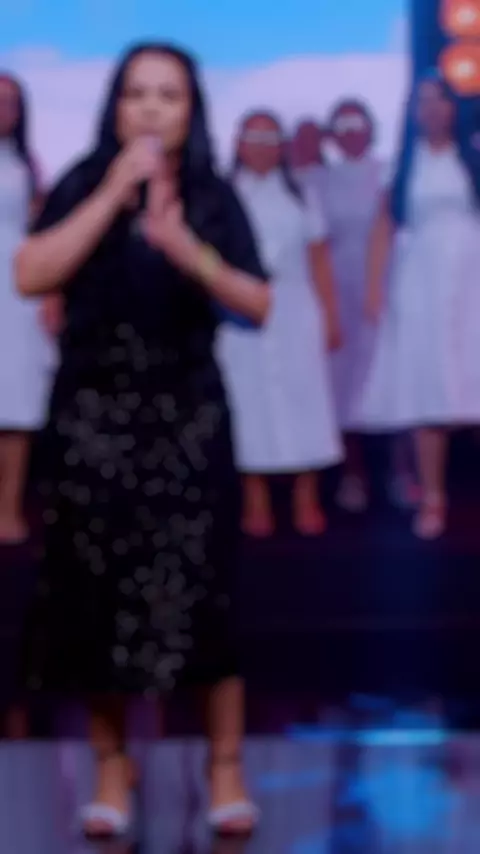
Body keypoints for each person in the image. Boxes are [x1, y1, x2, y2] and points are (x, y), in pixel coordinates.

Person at [14, 43, 271, 837]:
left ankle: (224, 767)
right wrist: (113, 195)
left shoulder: (213, 194)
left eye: (169, 94)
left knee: (207, 596)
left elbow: (257, 302)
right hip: (92, 418)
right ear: (115, 106)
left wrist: (184, 248)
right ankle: (111, 769)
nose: (152, 107)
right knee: (97, 602)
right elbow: (30, 273)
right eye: (137, 93)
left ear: (191, 109)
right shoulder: (83, 182)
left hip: (187, 416)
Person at [358, 69, 480, 539]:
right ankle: (433, 498)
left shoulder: (472, 157)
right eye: (422, 100)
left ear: (454, 107)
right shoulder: (404, 165)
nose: (432, 108)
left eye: (439, 99)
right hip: (422, 281)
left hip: (470, 278)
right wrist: (374, 288)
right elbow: (383, 228)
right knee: (429, 388)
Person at [216, 111, 343, 538]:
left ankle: (307, 497)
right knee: (247, 401)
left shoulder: (302, 193)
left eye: (270, 139)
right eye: (254, 138)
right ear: (239, 144)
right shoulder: (224, 195)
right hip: (240, 308)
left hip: (294, 307)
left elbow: (319, 259)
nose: (262, 148)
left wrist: (330, 314)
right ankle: (256, 500)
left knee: (305, 399)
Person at [0, 72, 54, 544]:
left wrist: (51, 293)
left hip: (17, 288)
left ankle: (9, 508)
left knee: (16, 401)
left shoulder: (27, 166)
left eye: (11, 102)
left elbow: (43, 231)